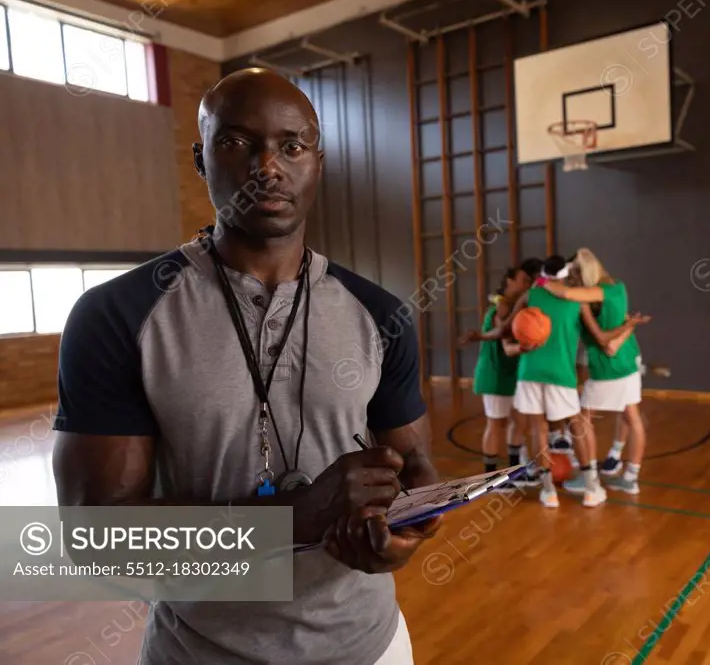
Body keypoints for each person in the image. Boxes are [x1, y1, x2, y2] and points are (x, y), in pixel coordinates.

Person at [50, 68, 440, 665]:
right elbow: (98, 537)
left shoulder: (380, 313)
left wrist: (405, 531)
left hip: (370, 644)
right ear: (201, 158)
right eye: (236, 142)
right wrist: (294, 517)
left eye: (292, 146)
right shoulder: (118, 314)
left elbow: (415, 465)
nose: (268, 167)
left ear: (318, 160)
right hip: (201, 650)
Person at [508, 255, 641, 508]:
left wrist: (510, 341)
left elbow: (508, 328)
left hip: (529, 371)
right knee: (579, 427)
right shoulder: (576, 303)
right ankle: (592, 488)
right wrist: (629, 325)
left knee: (539, 429)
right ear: (565, 275)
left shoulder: (530, 296)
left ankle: (548, 492)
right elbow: (601, 339)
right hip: (560, 375)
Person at [542, 248, 649, 495]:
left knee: (580, 420)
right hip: (629, 360)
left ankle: (588, 477)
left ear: (582, 273)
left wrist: (544, 280)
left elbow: (565, 292)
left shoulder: (591, 296)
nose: (571, 280)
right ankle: (631, 477)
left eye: (574, 274)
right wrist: (627, 329)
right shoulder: (618, 286)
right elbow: (620, 324)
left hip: (608, 368)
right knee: (632, 417)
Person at [469, 266, 533, 477]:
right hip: (495, 375)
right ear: (510, 281)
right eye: (523, 280)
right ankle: (492, 477)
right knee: (495, 424)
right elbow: (507, 347)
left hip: (512, 375)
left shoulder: (516, 306)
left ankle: (514, 473)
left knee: (518, 422)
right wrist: (528, 347)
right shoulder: (503, 307)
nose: (527, 284)